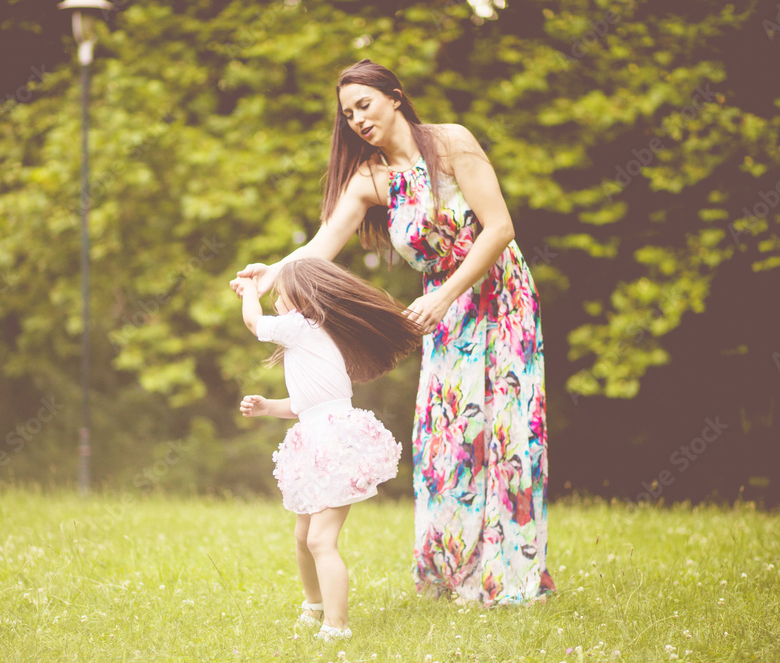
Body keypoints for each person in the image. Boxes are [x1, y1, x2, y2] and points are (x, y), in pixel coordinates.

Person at [238, 59, 556, 606]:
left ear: (395, 96)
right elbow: (319, 245)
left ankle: (511, 576)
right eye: (348, 114)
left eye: (365, 104)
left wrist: (444, 295)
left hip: (499, 297)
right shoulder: (372, 179)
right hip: (443, 310)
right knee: (450, 435)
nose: (358, 119)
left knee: (506, 431)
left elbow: (500, 227)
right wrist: (269, 275)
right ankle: (455, 576)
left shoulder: (452, 144)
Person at [230, 257, 421, 640]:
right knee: (303, 537)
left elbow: (253, 323)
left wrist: (250, 290)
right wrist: (268, 407)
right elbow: (306, 405)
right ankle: (314, 606)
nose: (275, 298)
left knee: (319, 540)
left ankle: (337, 627)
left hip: (336, 447)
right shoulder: (312, 334)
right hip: (319, 442)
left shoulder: (302, 326)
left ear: (301, 297)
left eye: (279, 292)